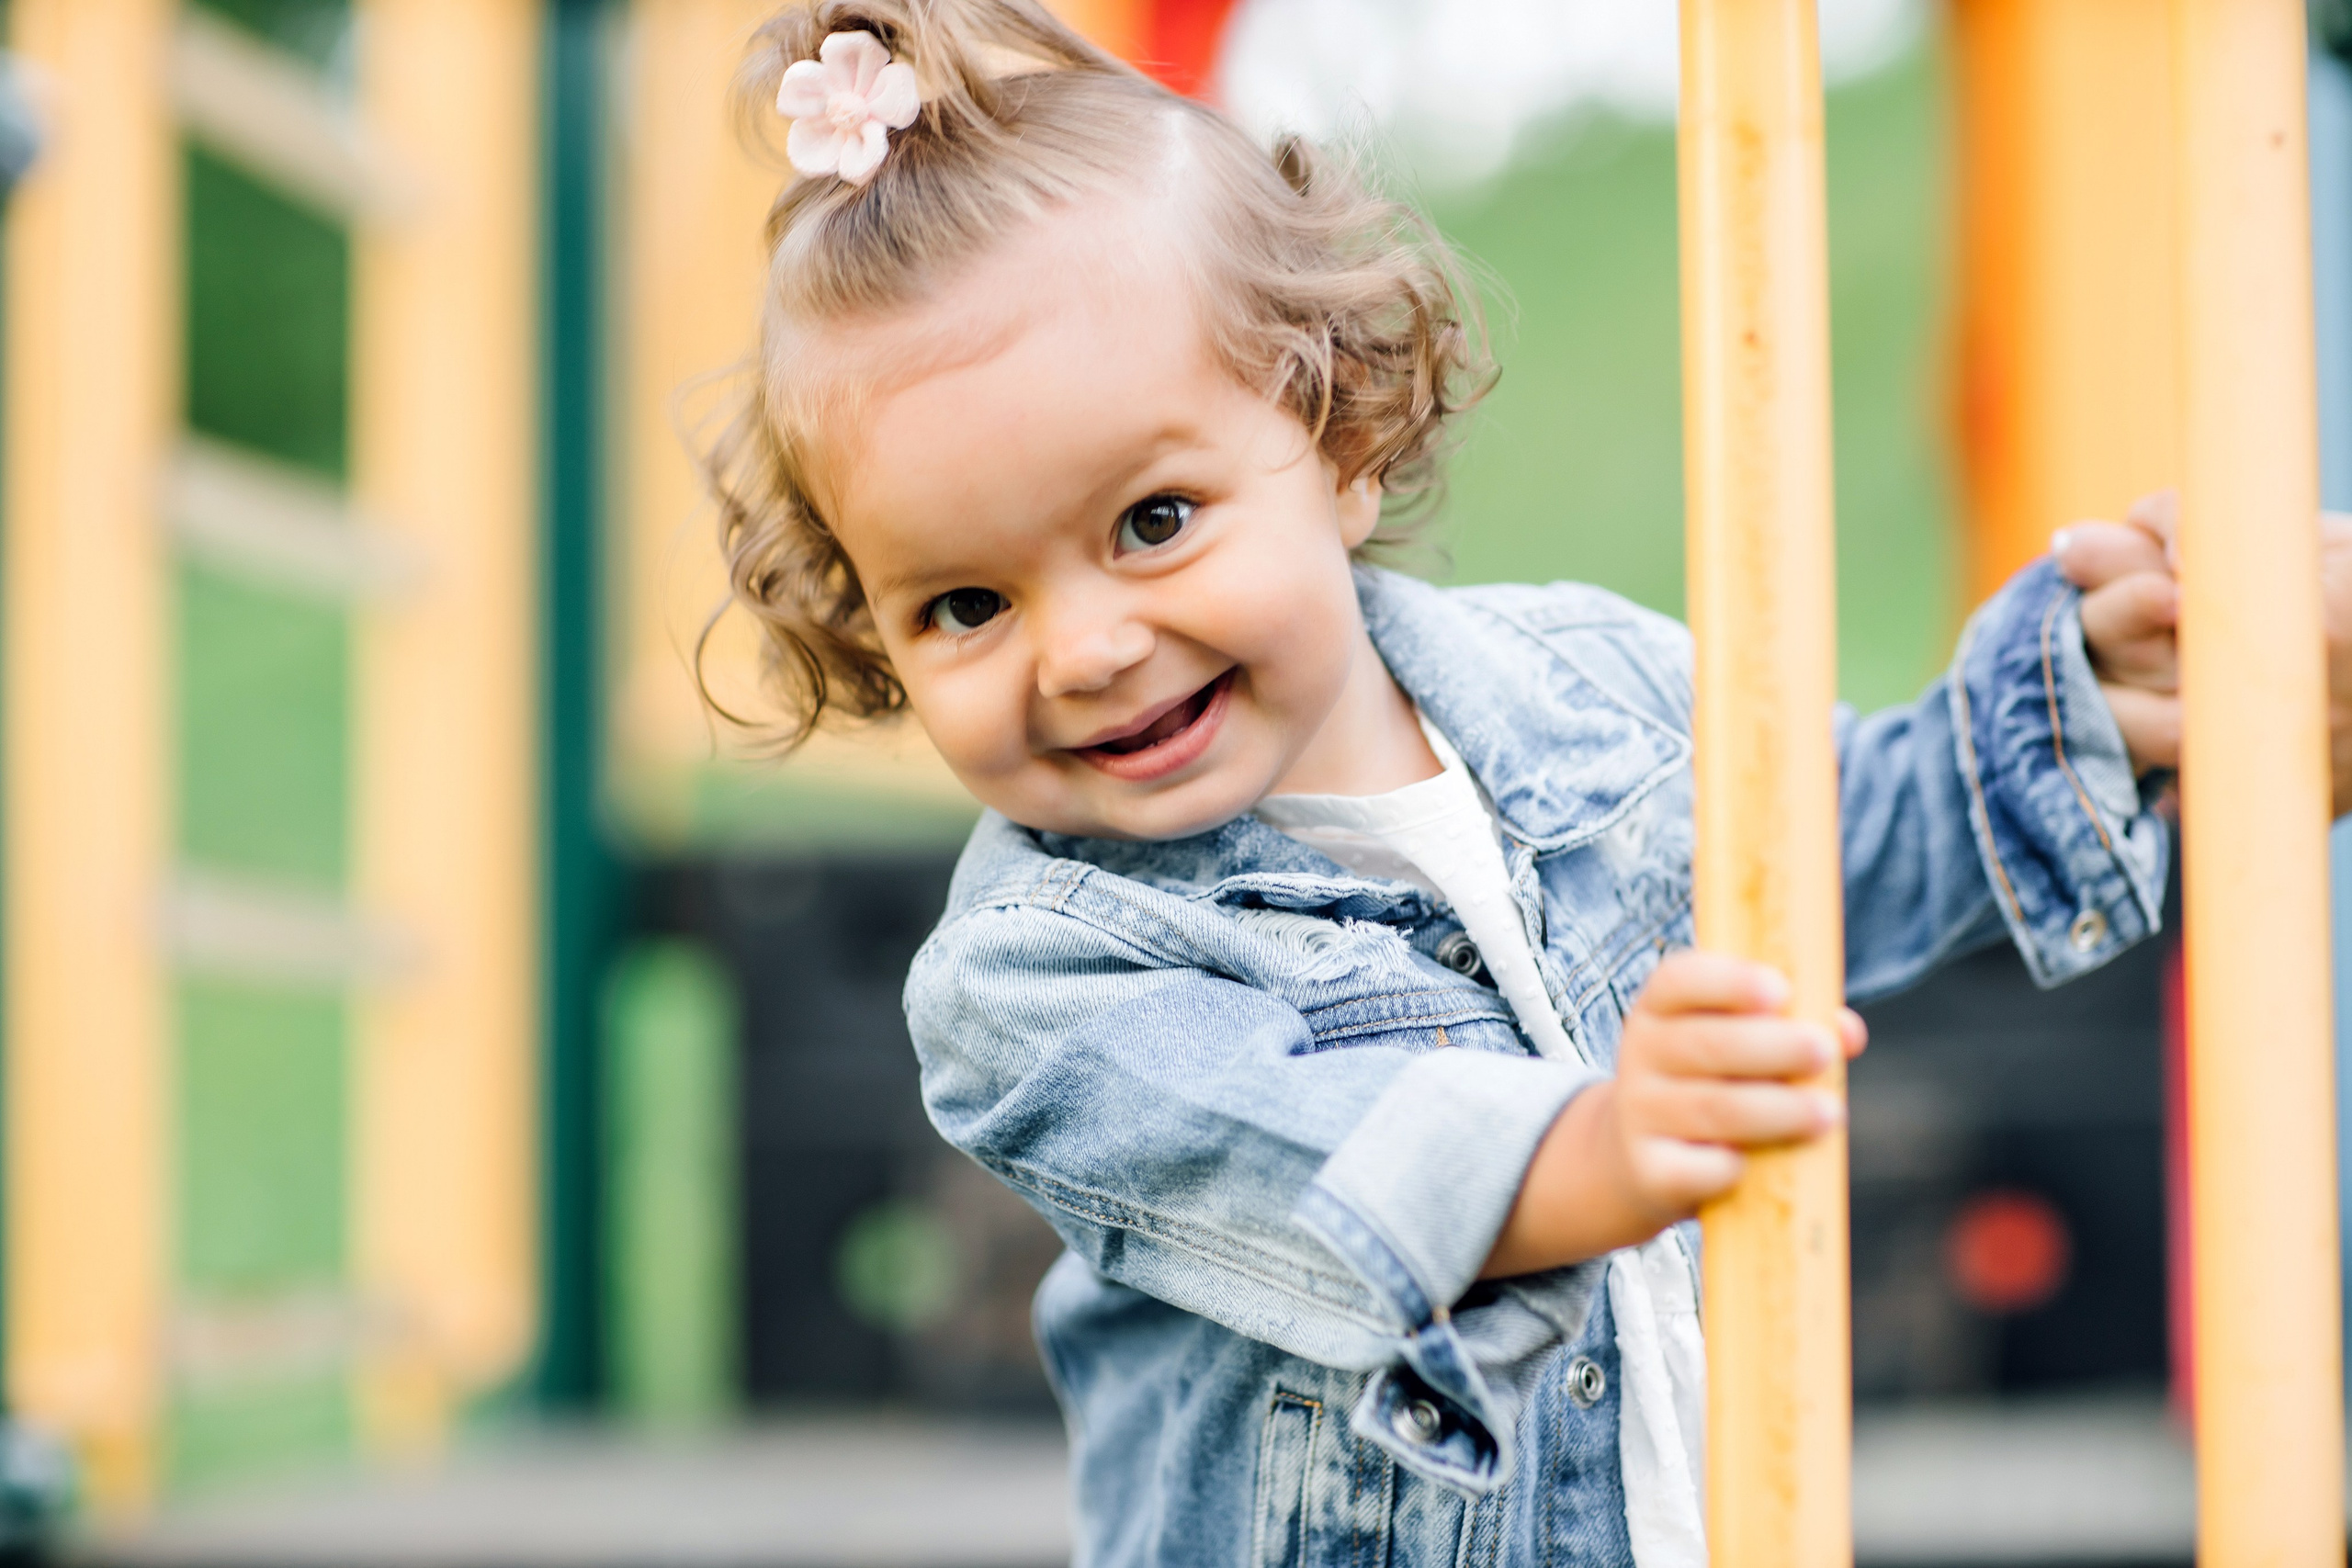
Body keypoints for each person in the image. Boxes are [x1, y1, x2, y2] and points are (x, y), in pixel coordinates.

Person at [705, 4, 2305, 1562]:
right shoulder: (1037, 980)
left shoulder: (1582, 696)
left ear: (1336, 436)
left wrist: (2103, 696)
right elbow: (1331, 1166)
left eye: (1152, 521)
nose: (1085, 651)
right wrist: (1603, 1146)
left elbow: (1853, 850)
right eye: (966, 607)